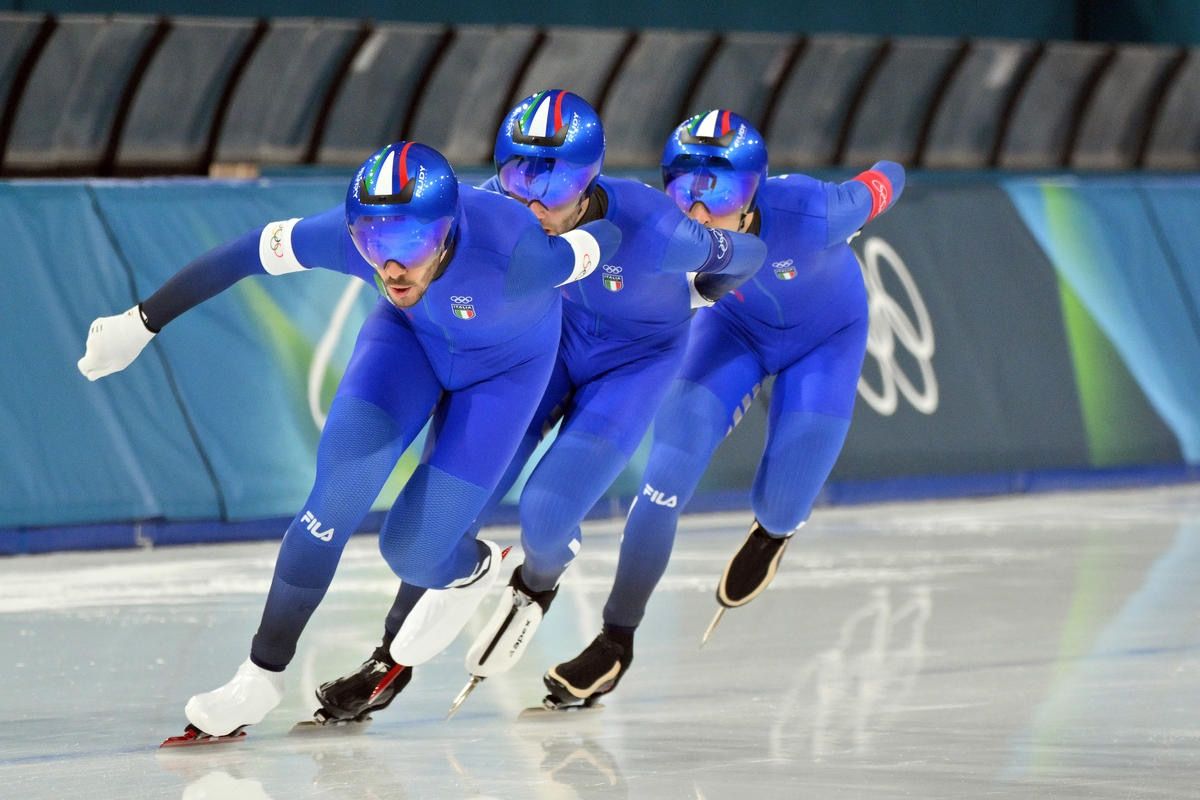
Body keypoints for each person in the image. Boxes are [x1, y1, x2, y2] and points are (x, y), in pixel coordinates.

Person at [77, 141, 620, 740]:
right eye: (373, 244)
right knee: (331, 503)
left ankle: (473, 568)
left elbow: (604, 243)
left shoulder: (517, 247)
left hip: (504, 377)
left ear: (447, 231)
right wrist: (140, 322)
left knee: (412, 550)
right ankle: (260, 675)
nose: (392, 267)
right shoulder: (347, 239)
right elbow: (245, 254)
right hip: (409, 344)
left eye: (409, 245)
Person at [312, 91, 767, 720]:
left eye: (555, 186)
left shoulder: (656, 226)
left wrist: (705, 291)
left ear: (590, 181)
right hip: (548, 349)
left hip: (633, 367)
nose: (533, 205)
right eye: (519, 178)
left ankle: (537, 584)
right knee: (452, 502)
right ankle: (390, 656)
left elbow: (749, 253)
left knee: (548, 512)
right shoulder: (492, 206)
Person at [544, 110, 906, 707]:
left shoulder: (816, 210)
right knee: (665, 475)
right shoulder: (672, 230)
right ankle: (615, 640)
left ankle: (775, 532)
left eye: (721, 193)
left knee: (782, 500)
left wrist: (873, 192)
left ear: (755, 190)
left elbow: (890, 174)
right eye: (684, 189)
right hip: (733, 333)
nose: (699, 211)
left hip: (826, 340)